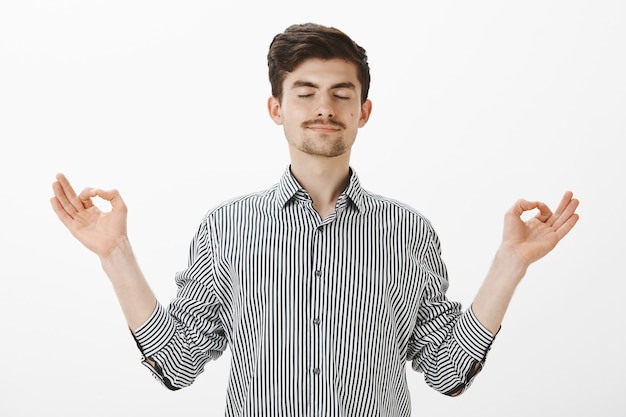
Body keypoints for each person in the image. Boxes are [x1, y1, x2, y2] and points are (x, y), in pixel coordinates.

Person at [50, 23, 579, 417]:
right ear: (276, 108)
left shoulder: (410, 230)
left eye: (340, 93)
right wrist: (115, 255)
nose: (323, 106)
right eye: (304, 92)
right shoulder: (226, 227)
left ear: (362, 112)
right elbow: (178, 362)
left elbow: (446, 369)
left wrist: (510, 263)